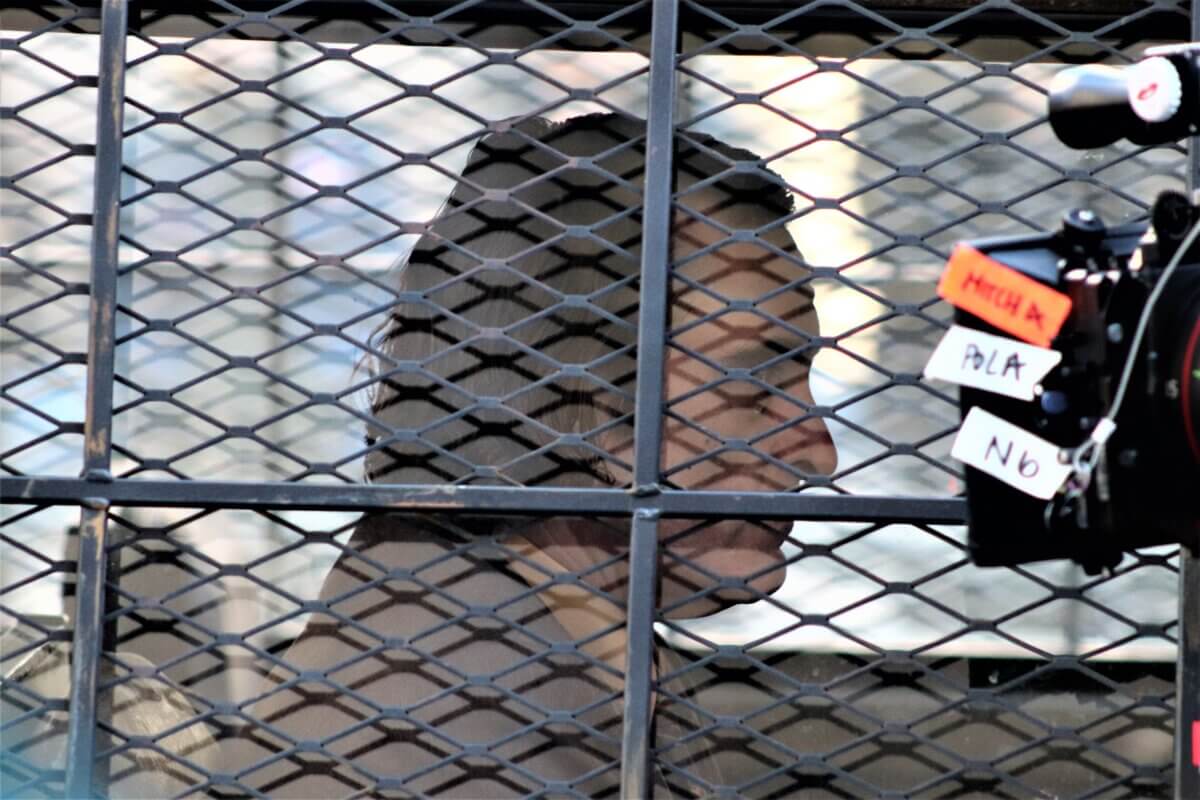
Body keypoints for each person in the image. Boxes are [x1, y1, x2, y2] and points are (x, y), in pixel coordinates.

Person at [235, 113, 837, 798]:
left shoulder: (535, 660)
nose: (822, 455)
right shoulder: (450, 731)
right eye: (754, 388)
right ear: (578, 401)